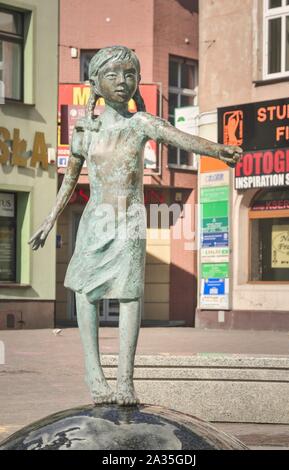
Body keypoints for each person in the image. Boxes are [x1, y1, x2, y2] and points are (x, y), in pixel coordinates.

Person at [29, 46, 243, 406]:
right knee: (86, 293)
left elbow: (180, 138)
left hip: (128, 221)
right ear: (95, 83)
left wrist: (219, 150)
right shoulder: (85, 129)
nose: (122, 82)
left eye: (129, 75)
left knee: (130, 295)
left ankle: (126, 380)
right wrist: (50, 220)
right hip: (95, 222)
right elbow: (71, 179)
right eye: (112, 75)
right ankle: (94, 374)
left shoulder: (140, 124)